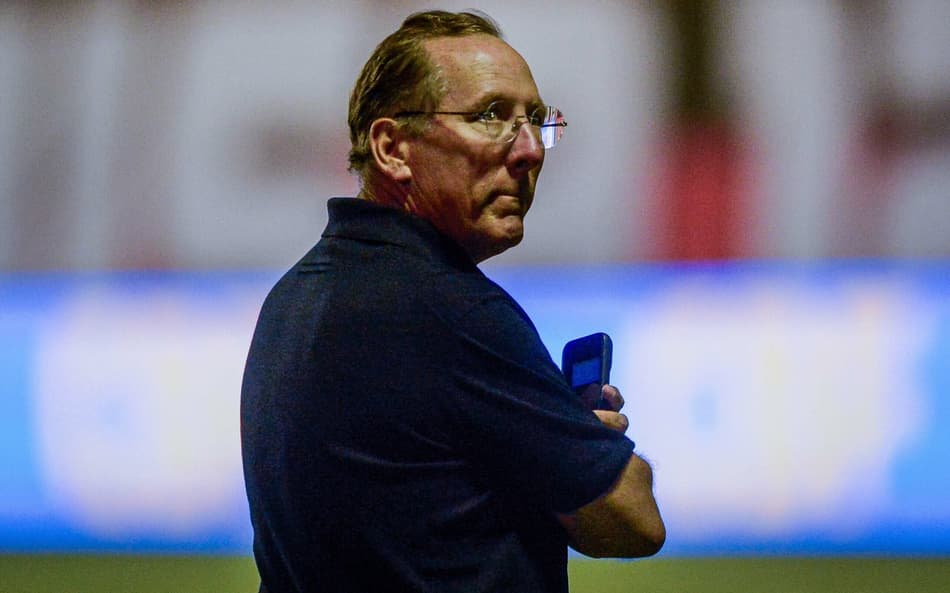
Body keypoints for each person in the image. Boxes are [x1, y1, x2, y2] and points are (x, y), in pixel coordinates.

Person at [241, 10, 665, 593]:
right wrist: (569, 448)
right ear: (392, 148)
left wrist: (541, 441)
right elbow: (631, 521)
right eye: (491, 116)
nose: (530, 151)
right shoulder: (454, 311)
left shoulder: (293, 296)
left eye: (538, 122)